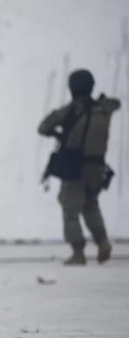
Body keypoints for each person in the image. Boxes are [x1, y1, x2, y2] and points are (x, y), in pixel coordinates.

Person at [38, 69, 121, 265]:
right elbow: (116, 103)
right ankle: (102, 242)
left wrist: (59, 134)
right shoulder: (104, 109)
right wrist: (99, 101)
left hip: (74, 166)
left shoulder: (71, 110)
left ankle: (78, 252)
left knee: (70, 210)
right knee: (90, 204)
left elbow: (43, 127)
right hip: (97, 167)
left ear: (73, 88)